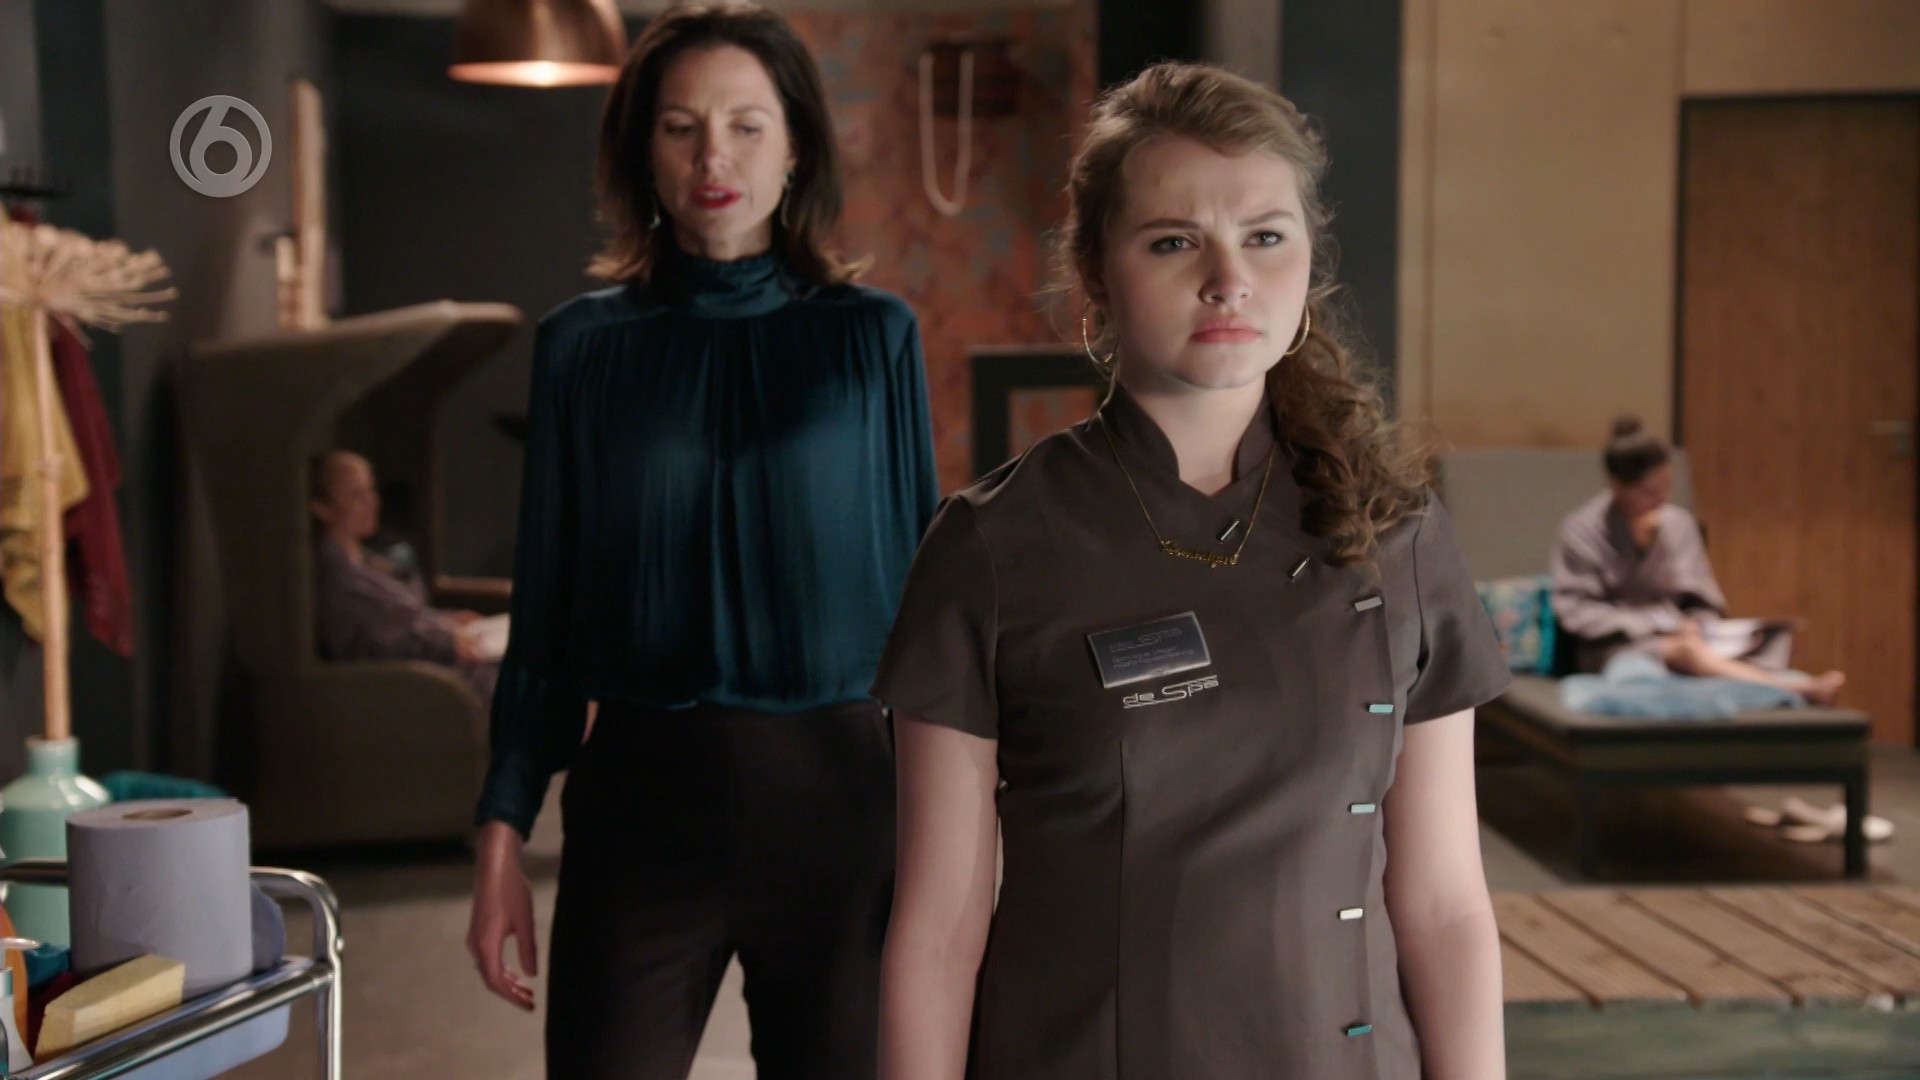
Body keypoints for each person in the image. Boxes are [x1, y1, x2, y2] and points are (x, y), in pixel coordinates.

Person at [875, 63, 1511, 1080]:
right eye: (1174, 241)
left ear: (1309, 259)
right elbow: (941, 926)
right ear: (1095, 273)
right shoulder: (990, 547)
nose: (1229, 279)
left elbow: (1443, 906)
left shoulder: (1396, 533)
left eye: (1265, 236)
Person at [464, 5, 940, 1079]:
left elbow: (930, 610)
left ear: (796, 147)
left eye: (745, 126)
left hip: (842, 814)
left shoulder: (874, 339)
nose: (712, 157)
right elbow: (545, 614)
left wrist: (962, 842)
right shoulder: (581, 349)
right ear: (643, 150)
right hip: (639, 811)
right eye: (680, 127)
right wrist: (501, 833)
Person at [1550, 416, 1845, 704]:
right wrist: (1652, 624)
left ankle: (1765, 683)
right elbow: (1577, 610)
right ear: (1617, 487)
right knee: (1675, 660)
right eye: (1648, 492)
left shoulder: (1678, 524)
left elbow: (1702, 599)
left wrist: (1694, 623)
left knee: (1756, 642)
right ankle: (1794, 689)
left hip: (1687, 636)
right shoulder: (1583, 530)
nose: (1661, 500)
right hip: (1616, 644)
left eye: (1667, 487)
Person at [308, 449, 496, 703]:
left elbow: (403, 616)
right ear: (322, 508)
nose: (372, 502)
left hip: (445, 671)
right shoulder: (336, 579)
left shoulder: (367, 559)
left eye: (370, 490)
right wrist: (447, 640)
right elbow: (380, 639)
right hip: (416, 689)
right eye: (356, 495)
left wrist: (446, 621)